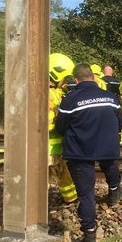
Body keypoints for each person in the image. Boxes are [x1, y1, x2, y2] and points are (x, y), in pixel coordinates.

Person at [56, 63, 122, 242]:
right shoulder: (111, 98)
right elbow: (120, 123)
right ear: (94, 78)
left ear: (76, 80)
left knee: (86, 195)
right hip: (107, 147)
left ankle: (90, 238)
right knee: (110, 166)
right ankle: (114, 190)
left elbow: (61, 128)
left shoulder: (70, 100)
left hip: (80, 152)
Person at [48, 53, 78, 204]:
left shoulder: (55, 93)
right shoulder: (48, 95)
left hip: (55, 148)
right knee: (44, 178)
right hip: (48, 148)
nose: (66, 82)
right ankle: (36, 205)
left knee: (62, 174)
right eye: (65, 78)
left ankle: (71, 199)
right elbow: (46, 124)